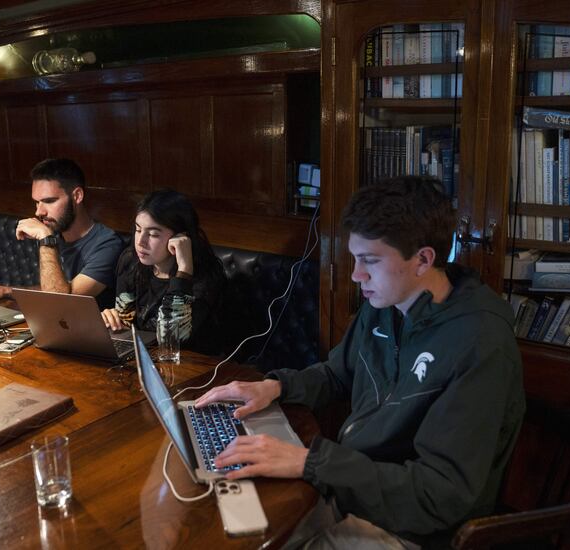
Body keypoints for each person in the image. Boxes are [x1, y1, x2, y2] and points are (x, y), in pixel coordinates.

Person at [195, 176, 525, 548]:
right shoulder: (384, 305)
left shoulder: (479, 342)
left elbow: (440, 495)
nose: (355, 275)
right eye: (355, 259)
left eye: (369, 261)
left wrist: (311, 463)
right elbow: (337, 374)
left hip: (414, 529)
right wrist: (278, 387)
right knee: (237, 523)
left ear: (423, 260)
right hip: (351, 485)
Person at [0, 158, 124, 310]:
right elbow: (54, 288)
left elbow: (60, 303)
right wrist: (5, 291)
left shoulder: (108, 245)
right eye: (36, 202)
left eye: (49, 201)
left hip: (90, 336)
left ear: (77, 196)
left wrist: (46, 239)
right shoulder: (56, 233)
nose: (39, 211)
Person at [101, 189, 225, 353]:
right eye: (138, 230)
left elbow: (171, 340)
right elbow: (127, 325)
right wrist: (113, 320)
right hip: (145, 358)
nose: (141, 242)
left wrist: (184, 271)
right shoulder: (130, 261)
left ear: (181, 238)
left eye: (153, 234)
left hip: (192, 366)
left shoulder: (205, 275)